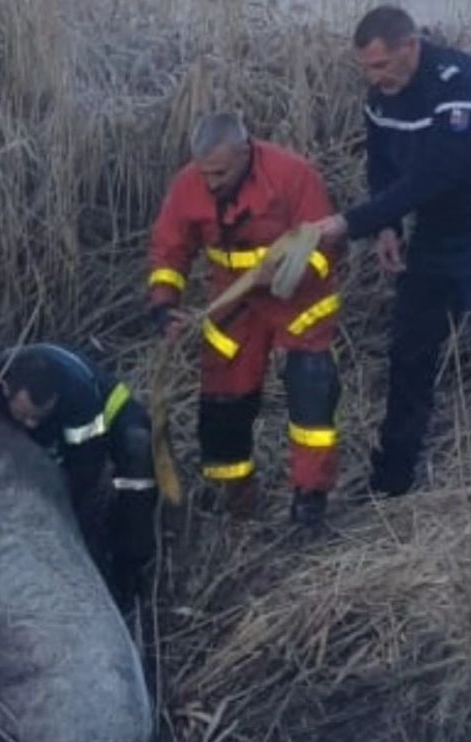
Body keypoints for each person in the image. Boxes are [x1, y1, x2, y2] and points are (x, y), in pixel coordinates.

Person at [312, 6, 471, 529]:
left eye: (381, 65)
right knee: (410, 352)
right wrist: (386, 228)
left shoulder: (460, 83)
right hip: (436, 236)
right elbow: (383, 166)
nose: (374, 79)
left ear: (410, 46)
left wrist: (348, 223)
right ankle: (393, 477)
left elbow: (434, 176)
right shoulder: (380, 97)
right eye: (366, 69)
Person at [147, 111, 343, 528]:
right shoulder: (188, 185)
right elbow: (169, 249)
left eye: (219, 173)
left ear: (244, 153)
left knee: (311, 394)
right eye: (205, 173)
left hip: (299, 302)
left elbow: (326, 248)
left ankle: (310, 500)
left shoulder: (293, 176)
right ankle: (235, 499)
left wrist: (292, 274)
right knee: (223, 400)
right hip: (234, 302)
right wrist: (164, 304)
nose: (210, 183)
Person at [0, 343, 157, 613]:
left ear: (55, 399)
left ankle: (127, 572)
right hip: (62, 425)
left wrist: (64, 517)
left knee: (137, 457)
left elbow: (85, 470)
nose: (31, 424)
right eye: (25, 416)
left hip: (113, 413)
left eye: (38, 417)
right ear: (6, 389)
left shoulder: (79, 398)